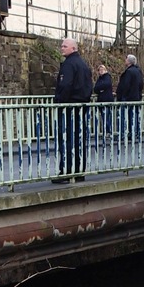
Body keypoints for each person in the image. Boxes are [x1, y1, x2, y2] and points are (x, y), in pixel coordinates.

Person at [53, 38, 93, 183]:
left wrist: (59, 102)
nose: (61, 48)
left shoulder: (69, 65)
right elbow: (89, 86)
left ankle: (66, 171)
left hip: (68, 108)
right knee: (79, 139)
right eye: (61, 45)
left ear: (73, 48)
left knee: (67, 139)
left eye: (64, 46)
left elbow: (65, 86)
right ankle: (79, 171)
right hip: (81, 107)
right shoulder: (83, 65)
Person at [115, 53, 144, 140]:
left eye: (126, 59)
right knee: (134, 117)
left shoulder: (128, 72)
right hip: (136, 97)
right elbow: (141, 85)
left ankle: (122, 134)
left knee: (122, 117)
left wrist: (120, 95)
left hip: (127, 98)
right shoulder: (139, 71)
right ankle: (135, 133)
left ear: (129, 62)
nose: (125, 60)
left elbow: (125, 85)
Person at [93, 62, 113, 138]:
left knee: (106, 117)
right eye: (99, 70)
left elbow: (106, 85)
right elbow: (95, 89)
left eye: (102, 69)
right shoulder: (99, 79)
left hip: (107, 100)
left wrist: (100, 88)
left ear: (105, 70)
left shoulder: (107, 77)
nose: (100, 71)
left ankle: (108, 132)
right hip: (101, 100)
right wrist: (100, 89)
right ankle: (107, 132)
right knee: (104, 117)